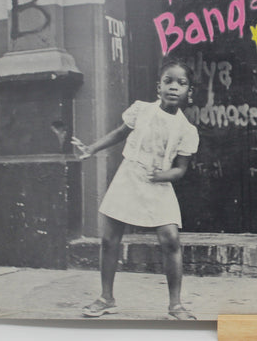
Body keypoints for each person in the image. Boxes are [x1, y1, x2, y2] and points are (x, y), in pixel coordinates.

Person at [72, 57, 199, 320]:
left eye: (181, 83)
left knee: (171, 239)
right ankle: (106, 298)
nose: (174, 87)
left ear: (189, 91)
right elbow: (119, 133)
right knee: (109, 239)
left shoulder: (187, 130)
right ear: (158, 87)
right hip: (128, 177)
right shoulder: (141, 110)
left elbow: (181, 169)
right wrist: (91, 148)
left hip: (158, 183)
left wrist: (162, 175)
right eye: (168, 81)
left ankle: (175, 305)